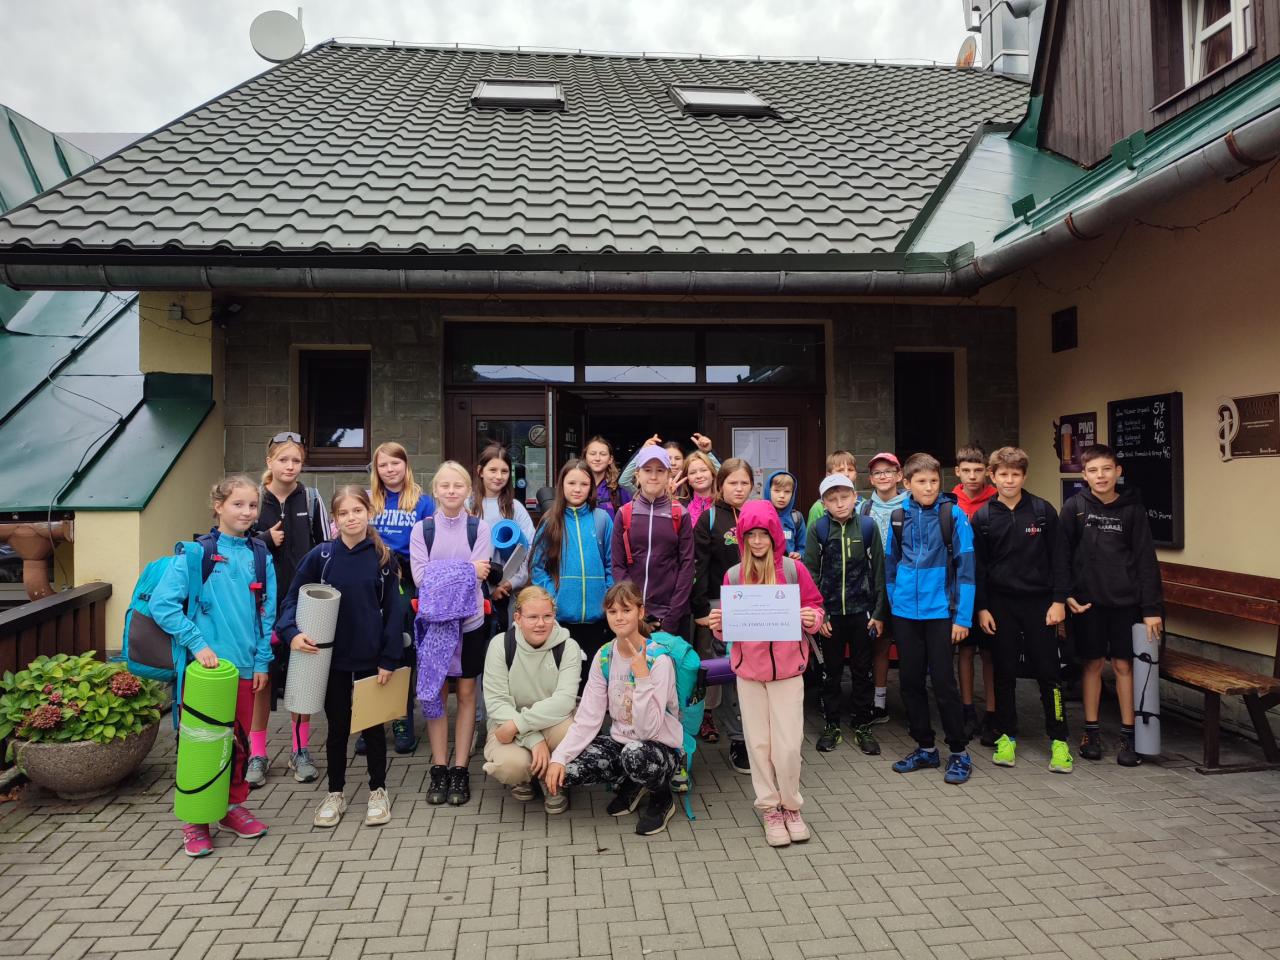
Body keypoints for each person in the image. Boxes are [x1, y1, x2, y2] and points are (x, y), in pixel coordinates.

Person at [151, 475, 275, 857]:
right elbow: (162, 605)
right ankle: (196, 820)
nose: (247, 512)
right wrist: (198, 643)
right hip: (205, 674)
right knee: (201, 744)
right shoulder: (195, 555)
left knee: (238, 742)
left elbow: (267, 614)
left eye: (252, 505)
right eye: (238, 504)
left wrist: (261, 662)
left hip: (245, 669)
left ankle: (231, 807)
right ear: (218, 506)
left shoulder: (261, 556)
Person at [276, 486, 403, 828]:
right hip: (330, 660)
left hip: (371, 659)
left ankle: (378, 790)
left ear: (369, 513)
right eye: (343, 513)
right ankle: (335, 792)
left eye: (357, 511)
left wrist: (389, 658)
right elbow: (291, 599)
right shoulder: (321, 557)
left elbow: (394, 613)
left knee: (372, 729)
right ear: (334, 519)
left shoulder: (383, 558)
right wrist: (291, 632)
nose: (351, 518)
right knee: (337, 728)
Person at [708, 501, 824, 847]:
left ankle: (792, 806)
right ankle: (770, 808)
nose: (757, 541)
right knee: (758, 745)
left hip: (788, 671)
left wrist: (812, 618)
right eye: (751, 535)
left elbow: (815, 605)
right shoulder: (733, 575)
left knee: (788, 746)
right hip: (750, 673)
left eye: (763, 534)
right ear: (743, 537)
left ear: (775, 535)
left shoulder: (793, 570)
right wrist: (719, 625)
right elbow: (728, 627)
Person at [544, 581, 685, 836]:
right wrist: (559, 757)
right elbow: (588, 718)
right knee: (570, 769)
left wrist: (642, 677)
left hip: (659, 747)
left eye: (626, 610)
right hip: (623, 743)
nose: (619, 617)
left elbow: (648, 730)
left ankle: (661, 798)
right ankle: (633, 782)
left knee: (635, 755)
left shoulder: (659, 660)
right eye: (612, 611)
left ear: (641, 612)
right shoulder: (604, 655)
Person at [1061, 444, 1163, 767]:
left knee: (1123, 666)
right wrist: (1065, 595)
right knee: (1091, 665)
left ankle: (1129, 734)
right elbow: (1062, 555)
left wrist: (1151, 609)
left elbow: (1146, 561)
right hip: (1088, 603)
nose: (1101, 476)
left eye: (1107, 469)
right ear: (1084, 475)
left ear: (1118, 471)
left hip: (1126, 603)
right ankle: (1091, 732)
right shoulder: (1075, 507)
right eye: (1093, 470)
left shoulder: (1133, 510)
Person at [973, 447, 1073, 773]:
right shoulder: (983, 517)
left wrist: (1059, 601)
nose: (1009, 480)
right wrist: (982, 607)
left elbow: (1060, 558)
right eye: (1003, 474)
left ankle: (1059, 740)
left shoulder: (1042, 511)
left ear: (1024, 476)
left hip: (1040, 604)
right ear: (992, 476)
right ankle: (1006, 736)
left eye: (1015, 474)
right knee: (1003, 674)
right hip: (1000, 605)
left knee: (1049, 673)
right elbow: (978, 568)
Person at [886, 453, 977, 785]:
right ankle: (925, 747)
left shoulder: (953, 515)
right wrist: (896, 601)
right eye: (921, 481)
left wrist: (962, 619)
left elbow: (966, 570)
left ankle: (959, 751)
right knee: (910, 683)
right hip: (905, 614)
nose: (928, 487)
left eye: (934, 481)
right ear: (907, 483)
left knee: (944, 684)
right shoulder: (898, 516)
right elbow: (890, 563)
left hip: (941, 613)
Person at [247, 433, 330, 789]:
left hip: (301, 605)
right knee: (261, 679)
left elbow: (326, 549)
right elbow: (234, 543)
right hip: (260, 606)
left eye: (296, 460)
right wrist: (264, 540)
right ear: (269, 462)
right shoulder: (254, 499)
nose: (290, 466)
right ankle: (257, 753)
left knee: (301, 678)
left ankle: (300, 750)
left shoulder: (311, 499)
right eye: (283, 459)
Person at [410, 461, 492, 806]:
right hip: (435, 624)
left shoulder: (479, 528)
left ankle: (460, 768)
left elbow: (482, 574)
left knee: (468, 693)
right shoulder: (422, 530)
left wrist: (445, 572)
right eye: (444, 485)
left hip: (470, 622)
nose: (451, 491)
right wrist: (465, 569)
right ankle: (439, 766)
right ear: (435, 491)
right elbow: (420, 578)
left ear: (468, 490)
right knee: (437, 695)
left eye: (458, 485)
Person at [804, 474, 888, 756]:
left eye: (844, 497)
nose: (839, 503)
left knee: (862, 671)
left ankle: (862, 724)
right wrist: (820, 614)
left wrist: (878, 612)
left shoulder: (867, 526)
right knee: (831, 672)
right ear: (824, 503)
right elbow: (811, 574)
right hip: (830, 616)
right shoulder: (818, 528)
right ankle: (832, 725)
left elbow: (879, 571)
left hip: (862, 613)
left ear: (854, 498)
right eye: (832, 499)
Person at [482, 586, 582, 813]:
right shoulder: (501, 645)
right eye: (532, 617)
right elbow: (497, 703)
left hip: (552, 722)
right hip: (508, 722)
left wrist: (519, 725)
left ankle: (552, 777)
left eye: (547, 616)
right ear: (517, 618)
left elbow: (564, 701)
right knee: (510, 766)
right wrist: (533, 739)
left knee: (573, 733)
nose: (541, 623)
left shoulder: (568, 647)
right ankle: (524, 776)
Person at [368, 441, 436, 755]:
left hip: (406, 579)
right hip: (371, 579)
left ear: (406, 465)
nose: (390, 469)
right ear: (376, 469)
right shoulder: (369, 500)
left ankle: (401, 719)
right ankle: (370, 721)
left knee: (402, 647)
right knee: (369, 649)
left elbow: (431, 545)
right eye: (383, 465)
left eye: (395, 463)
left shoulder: (423, 503)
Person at [689, 457, 755, 769]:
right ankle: (738, 738)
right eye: (732, 483)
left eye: (744, 483)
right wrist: (701, 608)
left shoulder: (759, 513)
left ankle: (757, 734)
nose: (739, 488)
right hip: (721, 605)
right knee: (730, 673)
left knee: (755, 672)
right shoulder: (710, 518)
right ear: (720, 485)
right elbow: (698, 566)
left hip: (757, 605)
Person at [529, 459, 614, 685]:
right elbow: (537, 567)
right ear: (561, 485)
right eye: (571, 483)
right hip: (562, 620)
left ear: (591, 487)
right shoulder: (550, 521)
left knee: (594, 682)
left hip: (597, 620)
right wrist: (553, 597)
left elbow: (611, 563)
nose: (577, 489)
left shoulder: (602, 519)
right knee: (564, 681)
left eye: (584, 484)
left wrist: (607, 595)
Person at [610, 446, 695, 636]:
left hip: (672, 615)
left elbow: (687, 567)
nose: (654, 476)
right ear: (637, 475)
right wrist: (636, 609)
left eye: (660, 470)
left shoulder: (680, 514)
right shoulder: (624, 513)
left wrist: (671, 618)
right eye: (647, 470)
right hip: (634, 614)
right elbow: (617, 565)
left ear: (668, 475)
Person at [953, 445, 998, 745]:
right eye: (966, 470)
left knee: (990, 652)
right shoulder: (950, 502)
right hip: (961, 587)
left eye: (978, 470)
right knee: (965, 650)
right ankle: (967, 709)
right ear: (957, 471)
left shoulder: (996, 500)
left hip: (991, 587)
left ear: (987, 472)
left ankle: (992, 712)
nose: (972, 476)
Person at [860, 452, 907, 724]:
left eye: (889, 471)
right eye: (877, 473)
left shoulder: (909, 505)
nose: (883, 476)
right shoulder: (864, 509)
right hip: (874, 585)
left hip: (904, 585)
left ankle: (912, 700)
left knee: (909, 645)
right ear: (871, 479)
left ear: (899, 475)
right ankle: (878, 703)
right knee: (879, 643)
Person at [469, 444, 536, 631]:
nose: (499, 476)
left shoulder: (515, 508)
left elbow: (530, 548)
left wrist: (511, 583)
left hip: (505, 596)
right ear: (480, 471)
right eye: (493, 470)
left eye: (504, 471)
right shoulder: (467, 505)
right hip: (472, 593)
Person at [620, 433, 719, 497]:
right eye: (668, 458)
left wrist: (708, 453)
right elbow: (624, 481)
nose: (673, 463)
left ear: (684, 461)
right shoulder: (652, 485)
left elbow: (722, 478)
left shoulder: (691, 484)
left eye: (677, 458)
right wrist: (642, 452)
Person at [806, 450, 860, 527]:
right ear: (829, 475)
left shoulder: (864, 504)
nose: (846, 474)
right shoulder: (819, 507)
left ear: (856, 474)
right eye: (840, 470)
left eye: (850, 470)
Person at [584, 436, 631, 519]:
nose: (597, 458)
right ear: (585, 458)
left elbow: (630, 518)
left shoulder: (619, 488)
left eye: (603, 454)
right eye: (592, 454)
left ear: (610, 459)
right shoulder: (577, 485)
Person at [766, 470, 806, 560]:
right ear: (768, 491)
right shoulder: (760, 515)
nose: (782, 495)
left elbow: (803, 547)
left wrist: (799, 554)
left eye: (787, 492)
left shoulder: (796, 518)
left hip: (788, 566)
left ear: (792, 494)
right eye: (777, 491)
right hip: (765, 566)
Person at [675, 450, 718, 523]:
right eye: (693, 473)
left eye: (703, 470)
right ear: (687, 480)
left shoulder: (724, 504)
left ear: (712, 474)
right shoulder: (680, 507)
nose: (699, 476)